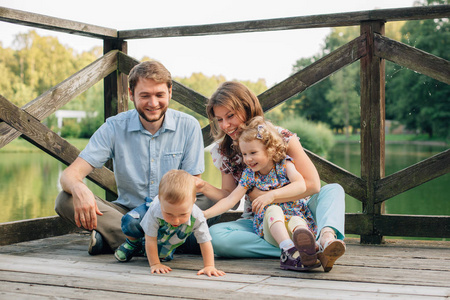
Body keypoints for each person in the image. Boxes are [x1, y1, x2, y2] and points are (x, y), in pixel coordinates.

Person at [55, 60, 208, 256]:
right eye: (144, 96)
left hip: (172, 212)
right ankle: (157, 244)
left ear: (170, 92)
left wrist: (163, 212)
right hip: (128, 213)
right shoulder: (114, 127)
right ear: (131, 94)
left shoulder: (189, 126)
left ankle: (121, 241)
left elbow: (192, 184)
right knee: (64, 199)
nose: (153, 103)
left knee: (208, 201)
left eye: (159, 95)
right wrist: (78, 187)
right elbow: (69, 175)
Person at [197, 81, 346, 272]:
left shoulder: (280, 137)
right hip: (259, 221)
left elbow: (312, 185)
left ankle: (326, 237)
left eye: (230, 116)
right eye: (219, 119)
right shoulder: (224, 150)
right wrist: (202, 188)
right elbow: (230, 197)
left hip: (301, 212)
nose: (225, 125)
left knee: (333, 190)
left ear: (247, 108)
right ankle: (304, 249)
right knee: (217, 236)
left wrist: (267, 195)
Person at [203, 116, 319, 271]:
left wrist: (271, 195)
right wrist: (204, 214)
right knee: (273, 209)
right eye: (244, 154)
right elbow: (231, 199)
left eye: (253, 152)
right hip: (271, 227)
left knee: (297, 221)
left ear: (270, 150)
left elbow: (300, 185)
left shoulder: (284, 164)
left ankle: (305, 247)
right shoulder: (249, 175)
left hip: (295, 218)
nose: (248, 159)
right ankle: (289, 251)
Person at [141, 170, 225, 277]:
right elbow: (150, 238)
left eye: (182, 214)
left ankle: (169, 250)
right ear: (160, 201)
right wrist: (155, 264)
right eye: (169, 214)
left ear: (193, 201)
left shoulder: (197, 215)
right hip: (149, 235)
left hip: (173, 238)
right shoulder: (155, 209)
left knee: (165, 254)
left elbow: (205, 240)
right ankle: (132, 243)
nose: (176, 220)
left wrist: (209, 266)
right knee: (132, 224)